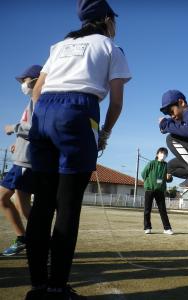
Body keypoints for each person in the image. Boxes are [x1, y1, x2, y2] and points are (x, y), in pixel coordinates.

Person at [24, 0, 131, 299]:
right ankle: (58, 288)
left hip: (44, 111)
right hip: (78, 110)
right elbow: (117, 101)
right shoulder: (111, 48)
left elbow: (37, 89)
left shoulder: (58, 46)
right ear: (107, 20)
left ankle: (38, 288)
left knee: (43, 203)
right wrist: (105, 134)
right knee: (68, 205)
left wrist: (43, 117)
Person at [0, 65, 41, 256]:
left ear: (34, 80)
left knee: (3, 199)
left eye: (23, 80)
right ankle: (33, 241)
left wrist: (13, 128)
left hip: (26, 162)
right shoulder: (32, 101)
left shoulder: (39, 98)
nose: (22, 85)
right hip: (23, 159)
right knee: (21, 204)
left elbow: (35, 128)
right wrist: (18, 143)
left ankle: (30, 239)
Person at [142, 147, 174, 235]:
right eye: (161, 153)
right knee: (147, 209)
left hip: (160, 190)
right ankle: (147, 227)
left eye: (165, 154)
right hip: (149, 189)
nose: (163, 155)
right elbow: (143, 174)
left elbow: (169, 179)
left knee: (163, 210)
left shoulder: (166, 165)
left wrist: (169, 177)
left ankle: (167, 228)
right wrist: (148, 182)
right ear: (157, 154)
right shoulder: (151, 163)